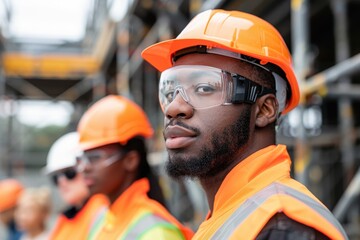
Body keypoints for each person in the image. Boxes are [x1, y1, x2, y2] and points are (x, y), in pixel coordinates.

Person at [142, 9, 348, 240]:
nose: (173, 108)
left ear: (264, 110)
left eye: (204, 88)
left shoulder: (281, 229)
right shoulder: (233, 215)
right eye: (170, 91)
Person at [76, 95, 194, 239]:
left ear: (131, 160)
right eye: (82, 158)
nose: (84, 168)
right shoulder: (102, 217)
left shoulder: (157, 232)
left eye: (94, 157)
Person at [44, 132, 109, 240]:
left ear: (86, 168)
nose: (62, 181)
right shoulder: (66, 218)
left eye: (69, 173)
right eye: (55, 177)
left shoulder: (103, 210)